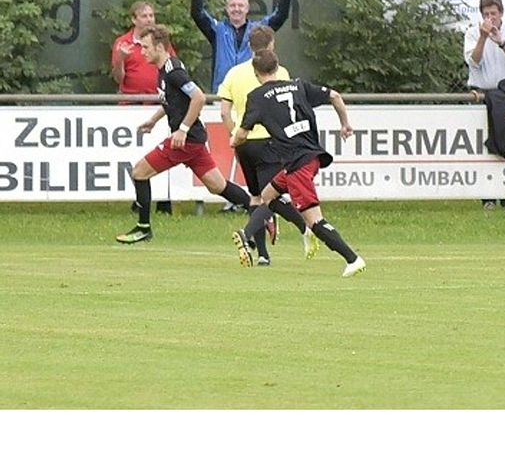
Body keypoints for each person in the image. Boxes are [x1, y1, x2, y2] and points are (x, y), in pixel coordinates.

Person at [231, 49, 366, 276]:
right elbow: (334, 96)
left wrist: (233, 140)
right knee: (268, 195)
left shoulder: (256, 97)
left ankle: (352, 258)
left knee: (315, 219)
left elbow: (242, 135)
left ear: (256, 73)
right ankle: (295, 232)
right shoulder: (298, 86)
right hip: (309, 156)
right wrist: (345, 124)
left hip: (298, 163)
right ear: (277, 67)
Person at [115, 25, 252, 244]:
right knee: (217, 186)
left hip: (186, 141)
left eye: (146, 48)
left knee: (139, 172)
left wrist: (182, 129)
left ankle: (143, 228)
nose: (143, 52)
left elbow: (198, 98)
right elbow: (172, 100)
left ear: (160, 47)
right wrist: (154, 120)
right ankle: (260, 212)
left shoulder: (173, 71)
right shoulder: (164, 69)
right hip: (194, 140)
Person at [218, 25, 318, 266]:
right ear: (271, 45)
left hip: (245, 144)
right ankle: (304, 227)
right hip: (270, 141)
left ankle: (263, 254)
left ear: (249, 46)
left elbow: (224, 112)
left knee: (255, 197)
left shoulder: (234, 73)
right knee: (270, 198)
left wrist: (235, 136)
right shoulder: (279, 71)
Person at [110, 1, 174, 214]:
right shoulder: (123, 43)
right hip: (133, 105)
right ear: (134, 19)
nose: (150, 19)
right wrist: (121, 59)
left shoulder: (161, 42)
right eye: (145, 16)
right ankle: (140, 199)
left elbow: (170, 66)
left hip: (158, 103)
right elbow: (118, 79)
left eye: (151, 15)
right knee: (137, 155)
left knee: (162, 152)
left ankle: (165, 200)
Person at [191, 0, 294, 93]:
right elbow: (198, 14)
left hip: (252, 95)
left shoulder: (258, 30)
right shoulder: (217, 30)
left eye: (240, 5)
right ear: (227, 8)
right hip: (222, 95)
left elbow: (280, 16)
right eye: (232, 5)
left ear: (247, 8)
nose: (236, 9)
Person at [464, 0, 505, 210]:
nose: (490, 18)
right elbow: (473, 62)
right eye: (486, 14)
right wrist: (483, 38)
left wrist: (501, 42)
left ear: (501, 14)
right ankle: (487, 196)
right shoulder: (472, 33)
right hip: (482, 94)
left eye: (493, 14)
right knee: (484, 145)